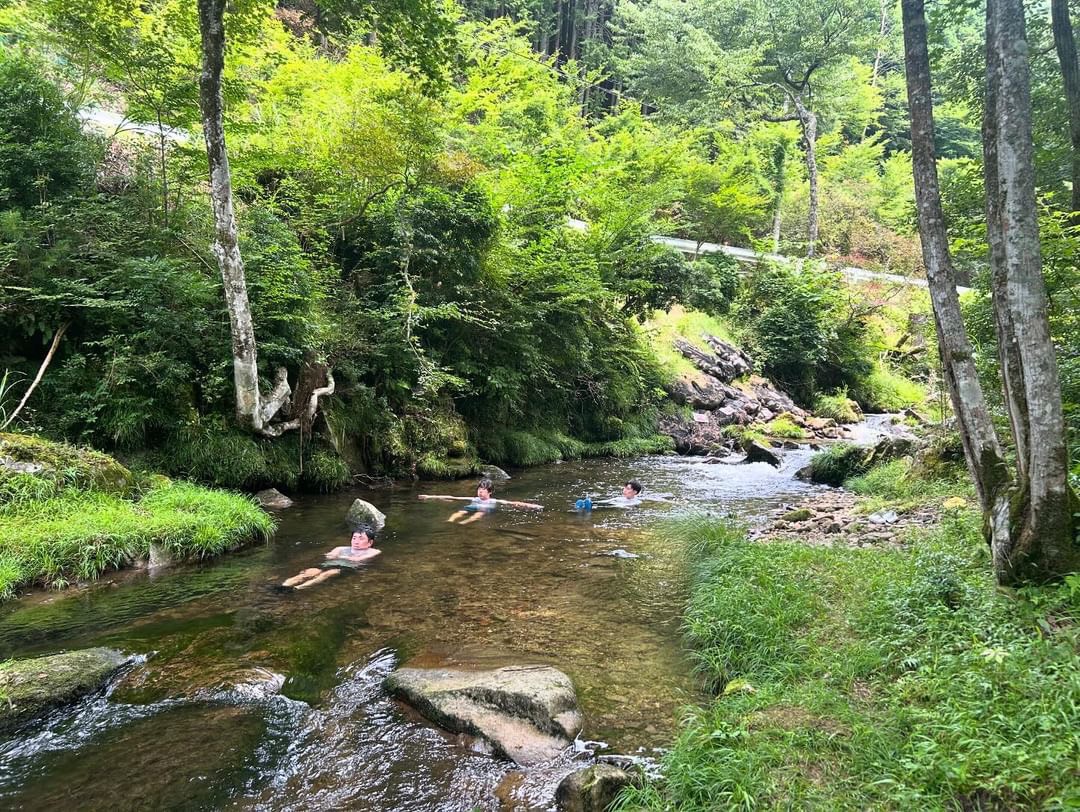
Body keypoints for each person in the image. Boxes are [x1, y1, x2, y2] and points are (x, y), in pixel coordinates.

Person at [281, 526, 381, 590]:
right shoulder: (341, 548)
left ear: (370, 542)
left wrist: (340, 557)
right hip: (330, 564)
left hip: (347, 568)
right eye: (354, 538)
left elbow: (358, 560)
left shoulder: (373, 551)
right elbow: (329, 556)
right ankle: (283, 586)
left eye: (361, 538)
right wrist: (338, 556)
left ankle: (299, 588)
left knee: (329, 573)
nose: (356, 541)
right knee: (310, 571)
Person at [418, 478, 543, 524]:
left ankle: (466, 522)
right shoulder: (474, 498)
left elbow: (512, 503)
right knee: (460, 511)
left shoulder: (494, 500)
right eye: (479, 489)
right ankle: (450, 520)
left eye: (483, 490)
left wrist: (532, 506)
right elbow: (453, 497)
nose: (480, 491)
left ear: (490, 492)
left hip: (484, 509)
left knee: (480, 512)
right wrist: (429, 496)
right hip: (473, 506)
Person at [576, 480, 643, 510]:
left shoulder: (637, 502)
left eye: (628, 489)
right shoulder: (619, 498)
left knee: (608, 506)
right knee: (606, 502)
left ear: (635, 492)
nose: (624, 490)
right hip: (617, 502)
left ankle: (591, 505)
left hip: (618, 506)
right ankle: (590, 503)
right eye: (624, 488)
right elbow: (607, 501)